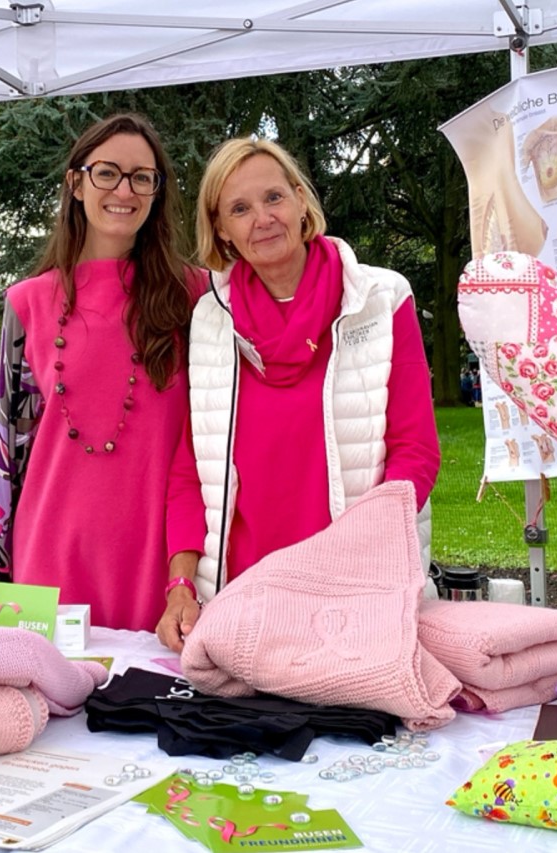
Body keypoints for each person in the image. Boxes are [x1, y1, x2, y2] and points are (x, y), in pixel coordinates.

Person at [157, 137, 441, 652]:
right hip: (240, 599)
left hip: (356, 596)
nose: (262, 218)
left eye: (273, 198)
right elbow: (188, 473)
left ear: (301, 201)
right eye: (239, 209)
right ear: (220, 228)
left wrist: (363, 558)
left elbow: (416, 454)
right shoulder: (209, 318)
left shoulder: (381, 299)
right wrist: (180, 586)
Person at [0, 113, 203, 632]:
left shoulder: (195, 297)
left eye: (141, 177)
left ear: (157, 192)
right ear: (75, 183)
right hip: (47, 560)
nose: (124, 190)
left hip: (161, 565)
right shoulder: (26, 303)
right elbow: (5, 459)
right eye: (107, 172)